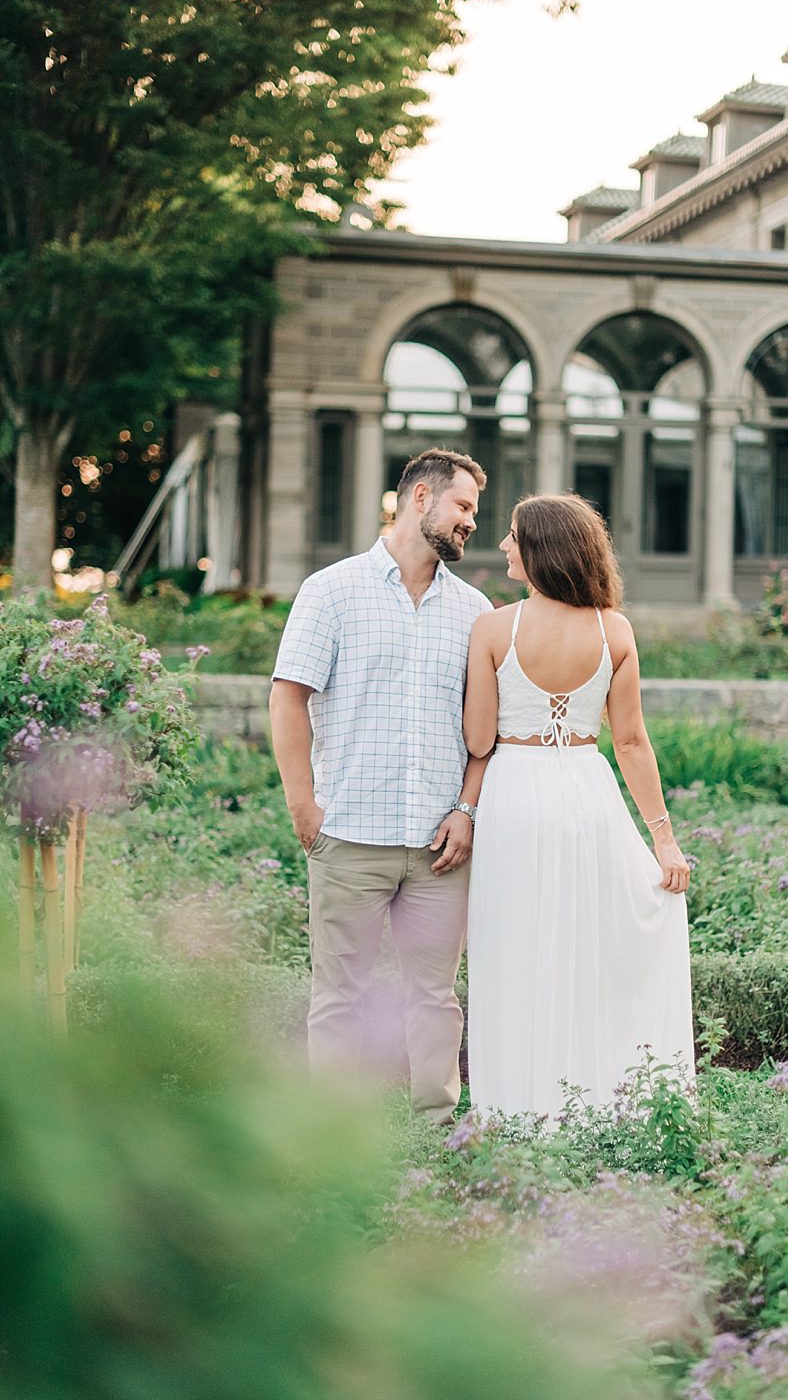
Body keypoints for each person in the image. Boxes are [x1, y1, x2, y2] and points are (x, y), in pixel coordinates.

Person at [269, 448, 492, 1124]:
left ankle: (436, 1125)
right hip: (350, 836)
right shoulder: (330, 591)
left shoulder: (475, 611)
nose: (470, 524)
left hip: (438, 846)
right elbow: (287, 698)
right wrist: (303, 804)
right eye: (464, 507)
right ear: (419, 498)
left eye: (474, 513)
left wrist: (465, 810)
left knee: (435, 995)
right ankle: (336, 1137)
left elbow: (487, 731)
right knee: (340, 995)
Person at [462, 494, 695, 1118]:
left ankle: (517, 1110)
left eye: (512, 537)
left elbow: (479, 739)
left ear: (538, 549)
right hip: (588, 795)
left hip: (513, 794)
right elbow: (631, 742)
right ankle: (592, 1103)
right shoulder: (612, 630)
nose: (504, 546)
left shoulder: (491, 628)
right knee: (587, 952)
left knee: (514, 954)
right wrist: (663, 840)